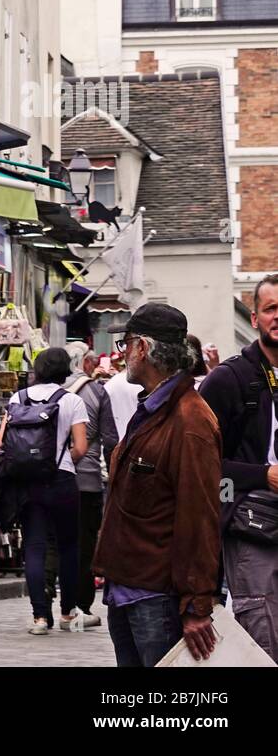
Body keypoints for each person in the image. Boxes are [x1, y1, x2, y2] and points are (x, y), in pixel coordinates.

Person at [94, 304, 221, 666]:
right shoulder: (153, 408)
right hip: (129, 589)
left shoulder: (190, 420)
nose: (122, 354)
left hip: (157, 597)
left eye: (126, 344)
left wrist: (197, 605)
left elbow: (200, 516)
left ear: (143, 349)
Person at [198, 276, 278, 662]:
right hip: (252, 530)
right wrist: (261, 476)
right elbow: (203, 469)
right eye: (271, 309)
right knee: (262, 638)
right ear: (256, 317)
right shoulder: (228, 380)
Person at [2, 347, 89, 635]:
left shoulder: (18, 398)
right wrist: (63, 462)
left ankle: (40, 617)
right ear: (66, 369)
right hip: (62, 479)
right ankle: (67, 612)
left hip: (27, 482)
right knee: (68, 547)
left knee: (34, 546)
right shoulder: (72, 401)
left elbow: (2, 440)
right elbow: (81, 447)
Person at [63, 350, 118, 629]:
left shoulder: (50, 391)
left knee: (51, 543)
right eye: (93, 360)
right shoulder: (97, 391)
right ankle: (81, 605)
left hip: (54, 479)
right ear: (84, 363)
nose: (96, 365)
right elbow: (110, 439)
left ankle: (46, 609)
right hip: (87, 479)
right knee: (84, 545)